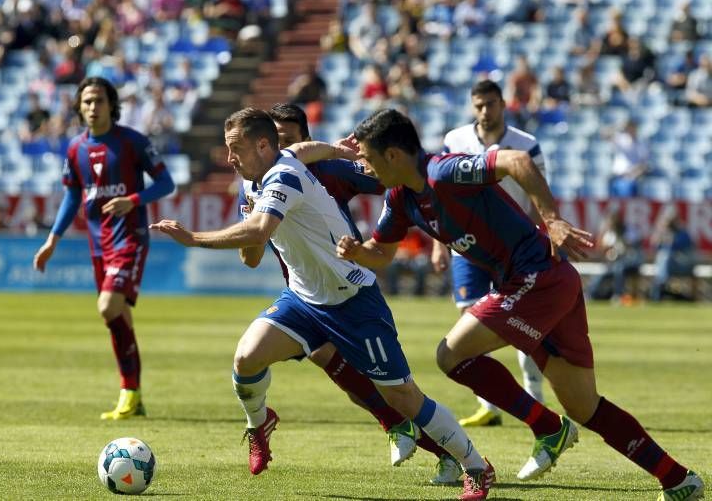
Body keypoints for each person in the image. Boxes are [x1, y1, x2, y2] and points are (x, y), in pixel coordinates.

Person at [336, 108, 704, 501]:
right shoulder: (400, 199)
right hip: (547, 284)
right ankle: (677, 478)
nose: (366, 168)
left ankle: (546, 427)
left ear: (393, 155)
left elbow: (517, 160)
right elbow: (382, 253)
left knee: (451, 355)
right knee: (584, 406)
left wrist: (553, 219)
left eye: (370, 159)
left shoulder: (443, 172)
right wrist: (358, 252)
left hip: (538, 278)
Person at [151, 108, 495, 501]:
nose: (229, 158)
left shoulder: (283, 176)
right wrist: (338, 150)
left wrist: (194, 238)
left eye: (236, 149)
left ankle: (475, 466)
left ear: (263, 145)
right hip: (303, 299)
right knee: (246, 359)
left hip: (353, 301)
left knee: (403, 396)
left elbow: (261, 228)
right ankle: (259, 425)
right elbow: (302, 150)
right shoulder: (263, 172)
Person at [260, 104, 460, 483]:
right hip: (304, 293)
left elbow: (398, 180)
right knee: (326, 360)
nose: (278, 148)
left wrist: (436, 235)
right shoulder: (262, 181)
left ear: (306, 140)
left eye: (288, 140)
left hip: (345, 288)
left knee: (390, 387)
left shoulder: (329, 170)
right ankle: (399, 427)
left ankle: (444, 449)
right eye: (273, 141)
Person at [33, 77, 175, 421]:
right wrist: (53, 238)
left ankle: (129, 391)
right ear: (79, 108)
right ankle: (133, 395)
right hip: (99, 246)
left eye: (98, 100)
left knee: (108, 306)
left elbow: (166, 183)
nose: (92, 107)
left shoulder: (132, 142)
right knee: (119, 316)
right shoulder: (75, 149)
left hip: (131, 237)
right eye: (86, 102)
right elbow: (72, 195)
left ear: (112, 104)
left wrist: (133, 200)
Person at [431, 79, 545, 427]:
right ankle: (489, 406)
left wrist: (541, 238)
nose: (484, 111)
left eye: (491, 104)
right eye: (479, 105)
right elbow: (441, 194)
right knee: (469, 322)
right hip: (466, 245)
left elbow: (539, 195)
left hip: (512, 247)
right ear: (472, 105)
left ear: (503, 104)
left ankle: (535, 398)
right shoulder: (455, 139)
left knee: (522, 322)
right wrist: (439, 243)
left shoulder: (526, 145)